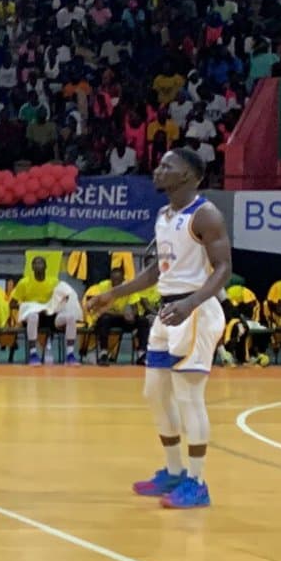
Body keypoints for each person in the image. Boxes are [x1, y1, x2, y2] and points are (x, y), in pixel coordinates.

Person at [86, 147, 231, 510]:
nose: (158, 169)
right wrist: (113, 295)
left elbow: (223, 268)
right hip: (169, 309)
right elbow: (156, 271)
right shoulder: (164, 215)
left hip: (195, 310)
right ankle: (173, 471)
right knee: (155, 392)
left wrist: (190, 303)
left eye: (168, 166)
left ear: (188, 176)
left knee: (188, 396)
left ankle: (198, 484)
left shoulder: (206, 214)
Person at [12, 256, 75, 365]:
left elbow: (62, 297)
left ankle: (70, 355)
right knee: (33, 316)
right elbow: (12, 303)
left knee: (70, 317)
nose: (38, 265)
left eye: (41, 263)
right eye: (35, 263)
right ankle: (33, 354)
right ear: (32, 267)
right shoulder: (24, 283)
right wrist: (29, 306)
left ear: (46, 267)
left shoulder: (54, 282)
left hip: (50, 315)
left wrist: (64, 298)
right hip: (32, 316)